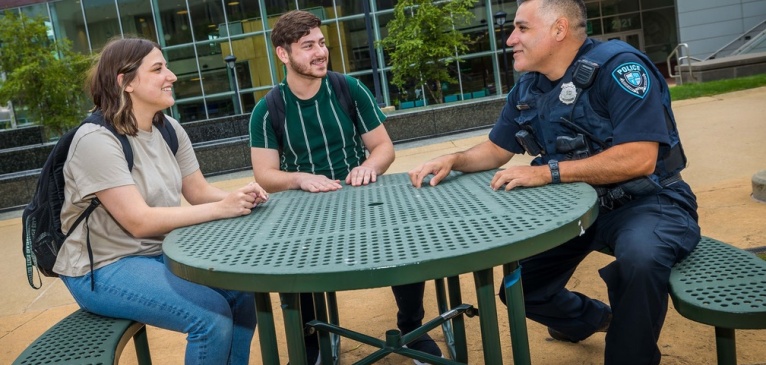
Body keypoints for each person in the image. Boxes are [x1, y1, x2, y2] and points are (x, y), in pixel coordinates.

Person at [408, 1, 700, 364]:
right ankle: (592, 319)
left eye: (522, 28)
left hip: (647, 201)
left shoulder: (620, 68)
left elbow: (640, 157)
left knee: (640, 260)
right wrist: (454, 159)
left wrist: (547, 173)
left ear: (559, 30)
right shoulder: (529, 86)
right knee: (522, 289)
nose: (510, 39)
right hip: (574, 207)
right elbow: (497, 149)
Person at [56, 37, 269, 365]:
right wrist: (221, 208)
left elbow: (197, 192)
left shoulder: (168, 128)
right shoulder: (96, 141)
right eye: (158, 69)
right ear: (125, 82)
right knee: (210, 319)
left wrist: (239, 196)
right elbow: (138, 221)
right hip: (102, 268)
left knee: (242, 297)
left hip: (157, 254)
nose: (172, 76)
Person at [249, 10, 442, 364]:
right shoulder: (267, 109)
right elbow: (264, 174)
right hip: (305, 210)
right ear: (283, 54)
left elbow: (383, 148)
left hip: (362, 198)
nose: (320, 52)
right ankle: (311, 341)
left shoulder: (347, 88)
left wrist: (368, 167)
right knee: (292, 263)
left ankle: (413, 328)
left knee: (405, 241)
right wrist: (299, 178)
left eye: (321, 43)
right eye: (308, 46)